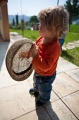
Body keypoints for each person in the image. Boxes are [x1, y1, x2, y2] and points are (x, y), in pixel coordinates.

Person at [19, 6, 69, 107]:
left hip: (46, 76)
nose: (38, 25)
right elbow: (35, 49)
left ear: (52, 28)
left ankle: (44, 99)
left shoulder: (54, 47)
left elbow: (46, 66)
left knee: (44, 88)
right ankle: (37, 90)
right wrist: (27, 53)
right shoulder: (41, 38)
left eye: (42, 24)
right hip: (37, 71)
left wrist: (35, 54)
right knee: (36, 83)